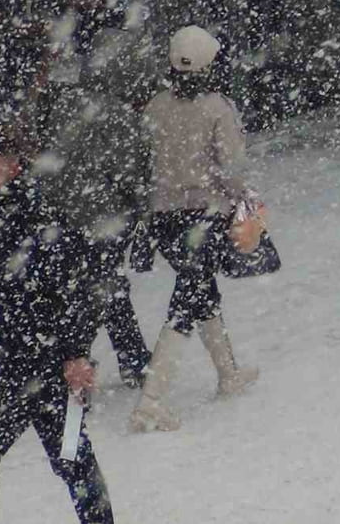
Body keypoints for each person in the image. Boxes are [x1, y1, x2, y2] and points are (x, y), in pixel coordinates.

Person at [0, 45, 114, 524]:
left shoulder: (36, 219)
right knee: (70, 459)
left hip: (39, 362)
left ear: (15, 168)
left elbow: (76, 287)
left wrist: (74, 353)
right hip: (25, 358)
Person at [129, 25, 260, 433]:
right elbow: (233, 169)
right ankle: (152, 399)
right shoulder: (218, 108)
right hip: (205, 216)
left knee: (201, 290)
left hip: (164, 219)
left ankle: (228, 373)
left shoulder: (153, 107)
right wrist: (244, 201)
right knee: (188, 299)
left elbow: (141, 163)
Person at [37, 28, 157, 387]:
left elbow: (54, 162)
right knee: (102, 290)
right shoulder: (121, 116)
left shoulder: (67, 104)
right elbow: (130, 176)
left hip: (65, 216)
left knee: (101, 287)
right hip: (104, 218)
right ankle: (89, 364)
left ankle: (128, 358)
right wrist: (139, 212)